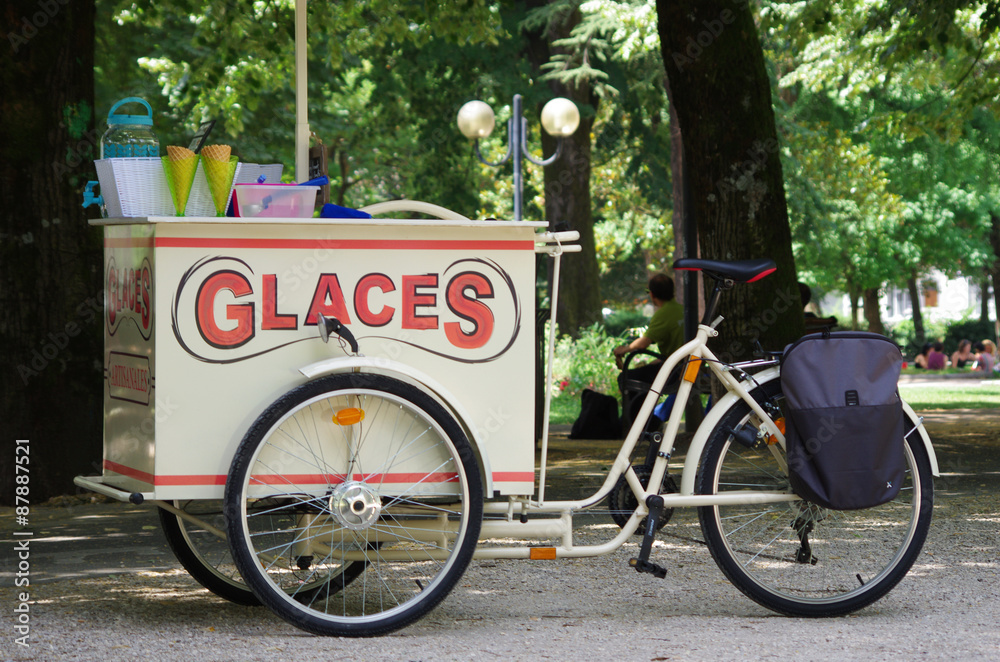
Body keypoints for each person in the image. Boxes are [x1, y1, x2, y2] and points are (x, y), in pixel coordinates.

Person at [613, 273, 685, 426]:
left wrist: (623, 350)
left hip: (674, 371)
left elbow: (642, 344)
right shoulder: (681, 310)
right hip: (683, 365)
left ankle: (642, 424)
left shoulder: (663, 314)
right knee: (644, 372)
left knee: (627, 377)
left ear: (652, 294)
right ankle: (646, 421)